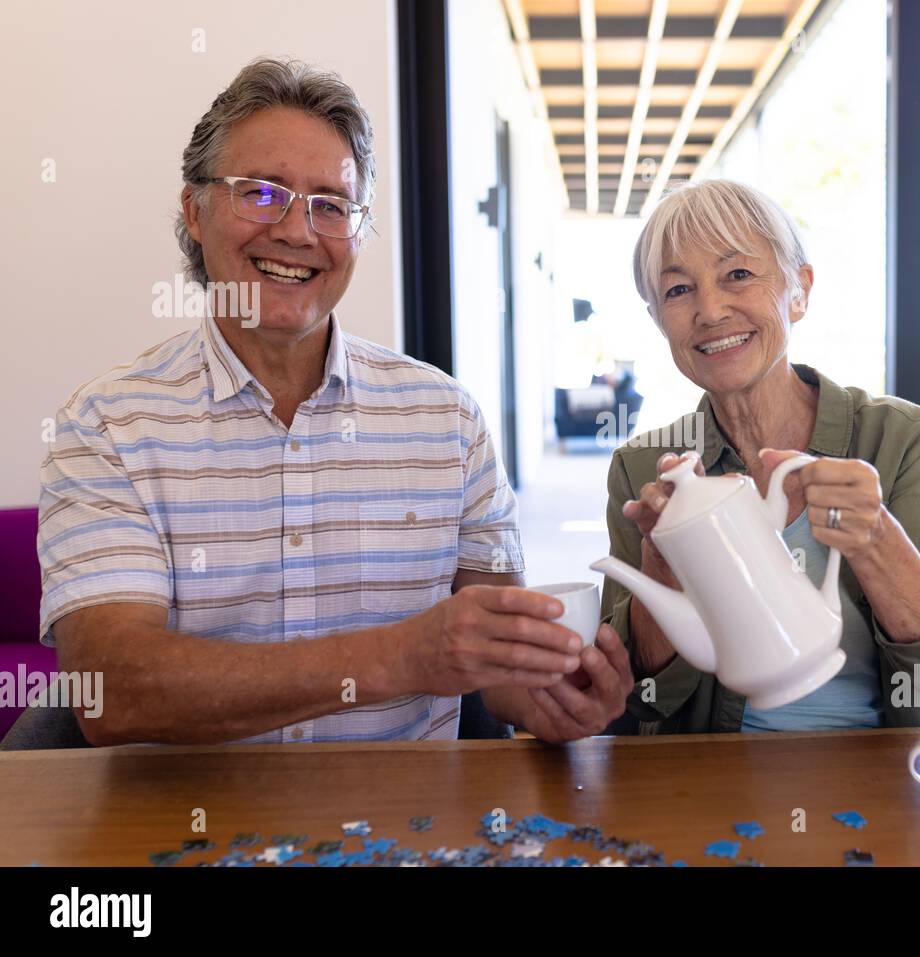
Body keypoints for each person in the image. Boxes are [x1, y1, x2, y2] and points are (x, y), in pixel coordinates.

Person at [37, 58, 631, 746]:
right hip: (187, 840)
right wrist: (400, 655)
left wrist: (551, 696)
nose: (296, 231)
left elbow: (497, 673)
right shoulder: (107, 426)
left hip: (410, 837)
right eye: (260, 193)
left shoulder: (448, 421)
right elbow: (115, 690)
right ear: (195, 213)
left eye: (330, 204)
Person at [600, 179, 920, 733]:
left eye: (737, 274)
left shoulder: (895, 436)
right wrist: (664, 564)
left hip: (879, 773)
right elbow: (638, 697)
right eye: (678, 290)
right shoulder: (644, 468)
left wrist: (875, 536)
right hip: (708, 779)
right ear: (658, 320)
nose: (710, 311)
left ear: (799, 290)